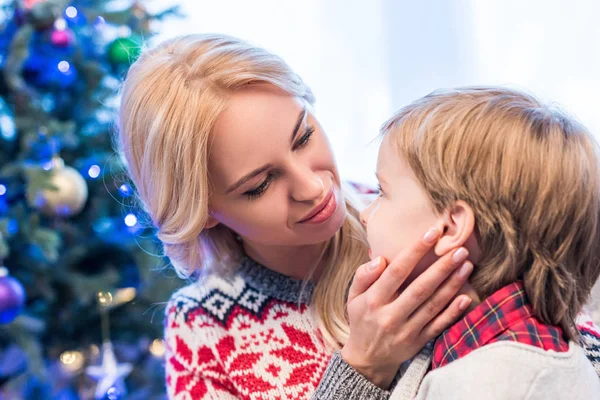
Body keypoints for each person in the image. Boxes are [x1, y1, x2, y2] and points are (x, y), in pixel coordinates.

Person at [116, 34, 600, 399]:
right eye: (259, 185)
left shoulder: (418, 212)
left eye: (303, 136)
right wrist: (361, 370)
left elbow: (567, 345)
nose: (313, 186)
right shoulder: (204, 331)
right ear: (202, 212)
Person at [356, 86, 600, 399]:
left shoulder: (483, 384)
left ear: (451, 227)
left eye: (382, 192)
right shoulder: (498, 348)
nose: (365, 214)